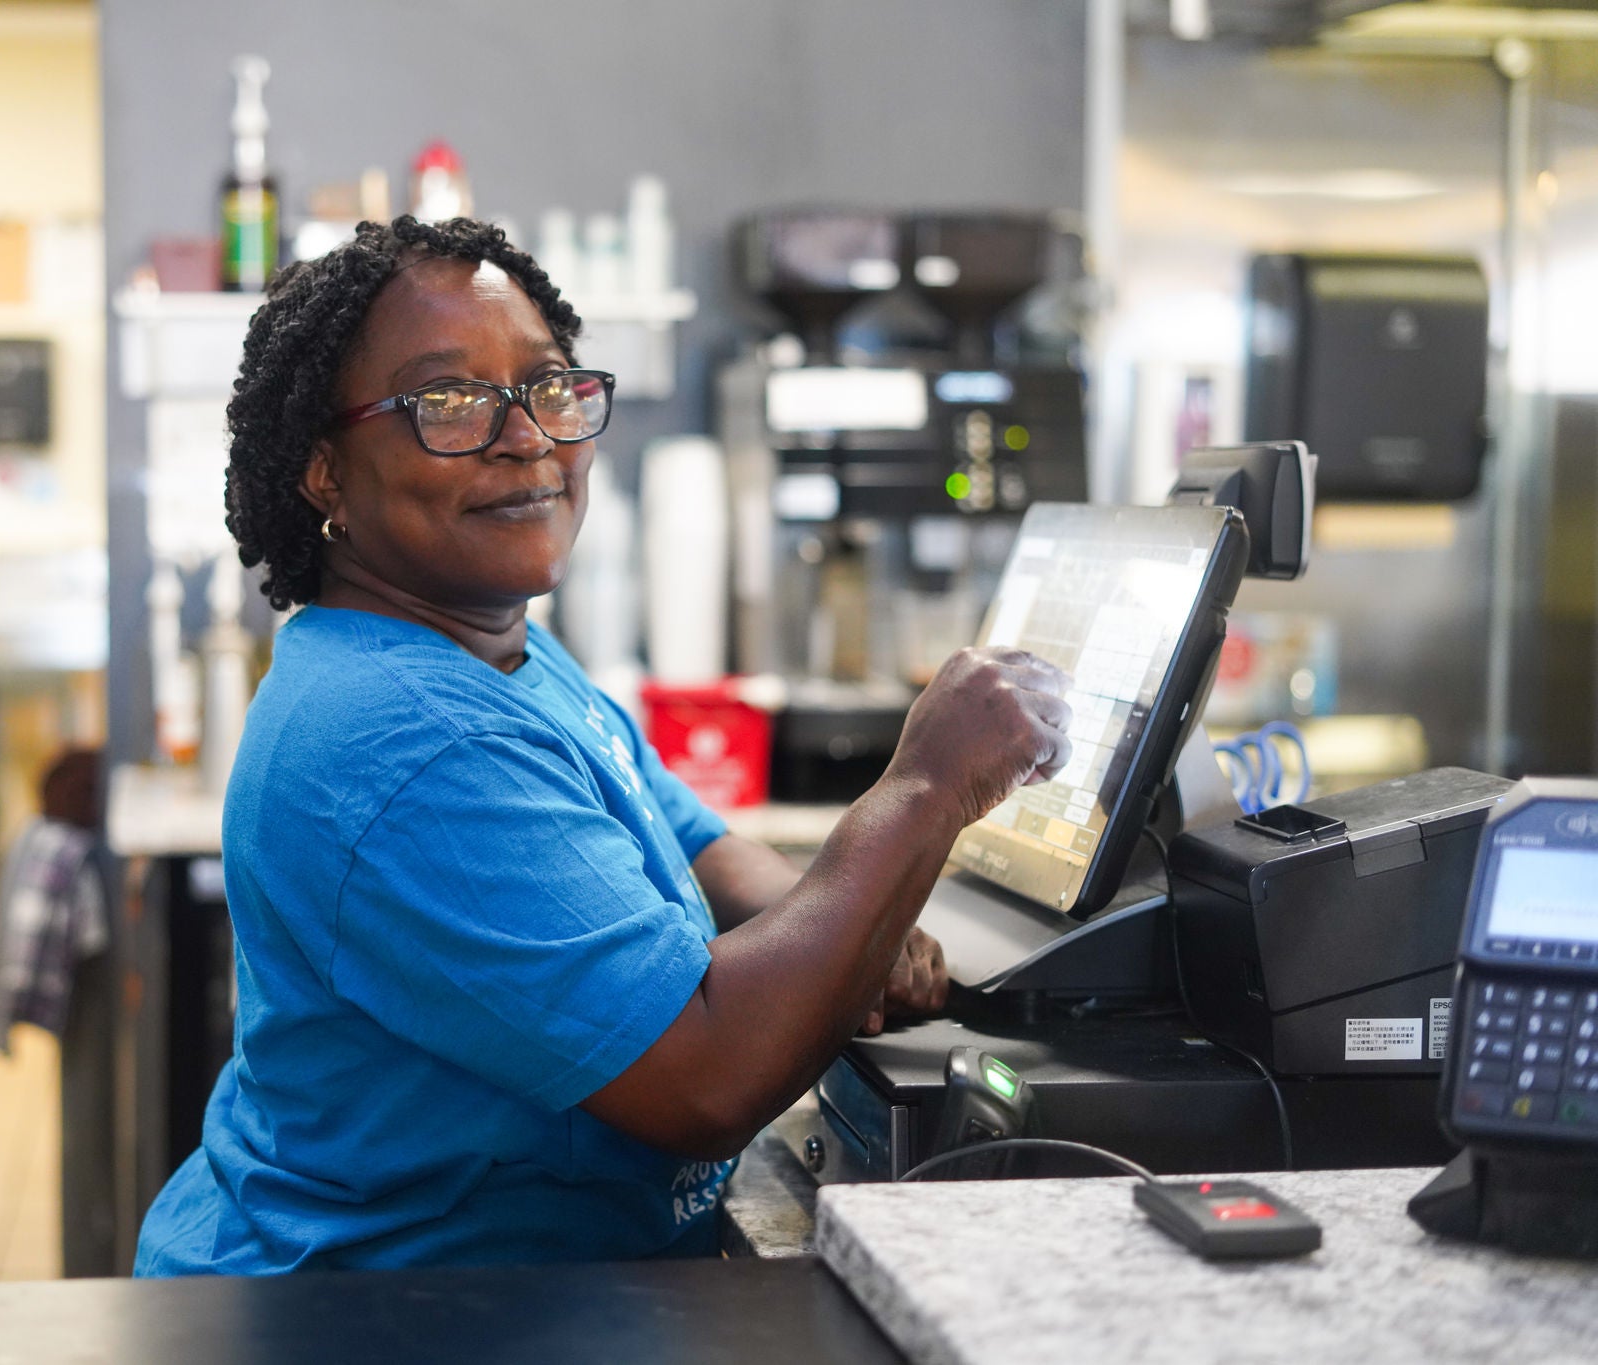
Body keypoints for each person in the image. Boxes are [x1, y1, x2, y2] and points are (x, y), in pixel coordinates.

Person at [133, 217, 1072, 1276]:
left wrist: (852, 932)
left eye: (547, 385)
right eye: (448, 402)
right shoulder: (406, 739)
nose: (527, 436)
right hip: (383, 1311)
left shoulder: (493, 647)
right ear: (324, 473)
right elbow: (707, 1075)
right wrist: (926, 788)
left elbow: (692, 846)